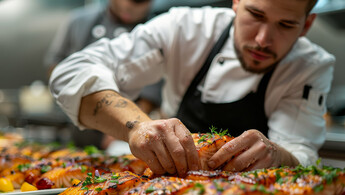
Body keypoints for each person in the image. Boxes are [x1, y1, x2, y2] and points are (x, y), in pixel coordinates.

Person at [49, 0, 335, 177]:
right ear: (236, 2)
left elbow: (301, 154)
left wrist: (278, 155)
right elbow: (71, 71)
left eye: (286, 25)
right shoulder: (185, 28)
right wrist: (137, 127)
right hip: (167, 188)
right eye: (256, 15)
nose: (262, 40)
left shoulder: (310, 66)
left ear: (307, 24)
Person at [45, 0, 162, 149]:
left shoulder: (154, 28)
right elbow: (56, 64)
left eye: (140, 3)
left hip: (129, 127)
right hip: (81, 120)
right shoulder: (79, 21)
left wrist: (126, 126)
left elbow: (152, 88)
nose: (130, 9)